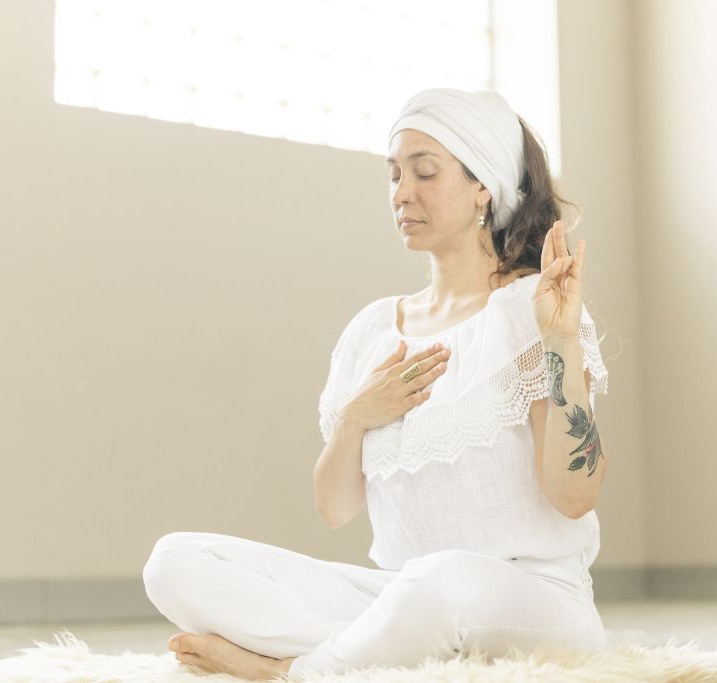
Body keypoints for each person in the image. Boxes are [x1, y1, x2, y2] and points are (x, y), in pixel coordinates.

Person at [142, 87, 611, 682]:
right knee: (175, 563)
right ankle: (380, 655)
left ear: (482, 187)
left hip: (531, 600)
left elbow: (575, 496)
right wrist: (356, 418)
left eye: (424, 173)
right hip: (401, 595)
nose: (402, 193)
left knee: (441, 582)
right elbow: (334, 507)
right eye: (393, 175)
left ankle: (293, 673)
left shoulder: (530, 308)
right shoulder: (371, 330)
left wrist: (560, 340)